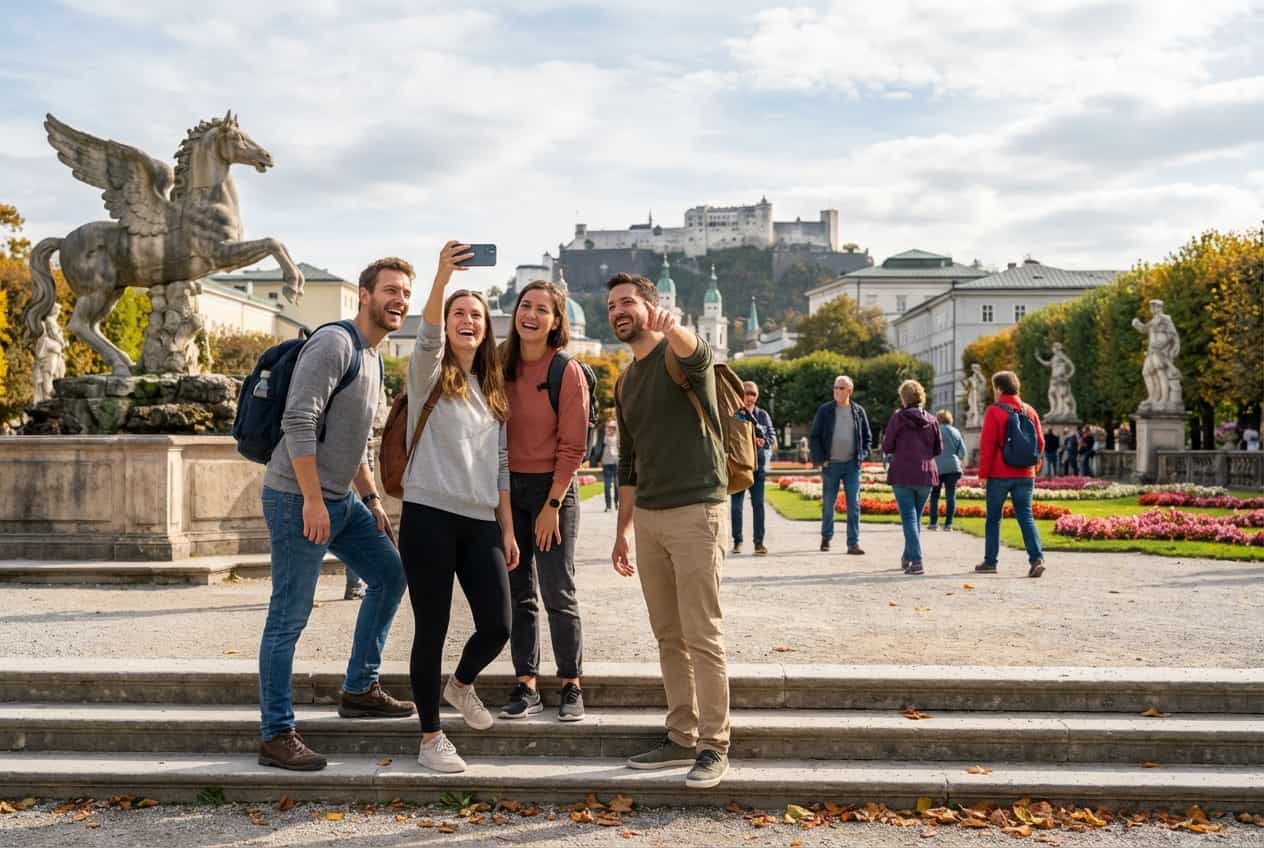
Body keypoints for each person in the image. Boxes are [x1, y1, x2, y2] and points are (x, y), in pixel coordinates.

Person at [256, 257, 416, 772]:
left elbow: (355, 443)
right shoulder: (335, 343)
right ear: (364, 296)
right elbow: (298, 420)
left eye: (405, 294)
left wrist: (369, 499)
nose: (399, 300)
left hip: (341, 500)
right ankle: (276, 733)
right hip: (295, 497)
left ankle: (359, 688)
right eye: (390, 290)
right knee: (289, 615)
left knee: (391, 576)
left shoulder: (371, 356)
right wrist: (311, 500)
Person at [607, 271, 731, 791]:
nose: (619, 310)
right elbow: (629, 465)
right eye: (612, 304)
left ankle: (714, 743)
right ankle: (680, 733)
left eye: (628, 302)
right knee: (668, 636)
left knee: (702, 633)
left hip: (696, 510)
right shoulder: (624, 380)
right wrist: (621, 532)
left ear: (651, 306)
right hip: (651, 520)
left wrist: (675, 328)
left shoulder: (678, 355)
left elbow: (700, 354)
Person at [398, 242, 519, 773]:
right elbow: (424, 334)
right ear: (446, 324)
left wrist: (507, 529)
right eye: (458, 315)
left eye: (477, 315)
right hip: (427, 515)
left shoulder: (491, 388)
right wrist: (443, 277)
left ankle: (461, 684)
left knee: (498, 623)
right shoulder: (427, 371)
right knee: (432, 627)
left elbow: (500, 465)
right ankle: (430, 739)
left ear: (488, 330)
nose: (468, 321)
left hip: (479, 521)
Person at [498, 280, 588, 723]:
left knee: (557, 590)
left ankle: (571, 683)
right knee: (519, 593)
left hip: (554, 492)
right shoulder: (499, 364)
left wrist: (552, 505)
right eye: (524, 306)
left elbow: (573, 447)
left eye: (541, 309)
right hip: (509, 492)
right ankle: (526, 683)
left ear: (556, 322)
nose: (530, 315)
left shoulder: (565, 371)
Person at [975, 370, 1046, 578]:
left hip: (999, 472)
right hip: (1025, 473)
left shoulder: (994, 411)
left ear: (998, 388)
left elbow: (987, 445)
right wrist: (1033, 467)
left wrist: (983, 474)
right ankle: (1036, 559)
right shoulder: (1029, 410)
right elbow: (1040, 442)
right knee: (1026, 516)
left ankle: (990, 561)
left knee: (994, 518)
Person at [882, 381, 941, 576]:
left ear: (903, 398)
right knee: (914, 518)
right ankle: (908, 557)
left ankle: (916, 561)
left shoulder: (898, 418)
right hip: (926, 473)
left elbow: (887, 446)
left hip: (903, 472)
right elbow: (938, 449)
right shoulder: (932, 420)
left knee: (909, 517)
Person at [809, 375, 871, 554]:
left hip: (852, 465)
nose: (837, 391)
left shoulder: (858, 411)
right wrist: (821, 459)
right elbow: (815, 436)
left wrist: (862, 455)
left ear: (849, 391)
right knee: (829, 504)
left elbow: (867, 438)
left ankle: (853, 543)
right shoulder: (825, 411)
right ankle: (826, 537)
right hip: (831, 465)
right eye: (835, 387)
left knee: (854, 504)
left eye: (841, 388)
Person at [731, 380, 776, 556]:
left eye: (753, 394)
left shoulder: (763, 415)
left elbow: (771, 435)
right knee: (736, 506)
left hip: (758, 467)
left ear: (757, 396)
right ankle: (737, 541)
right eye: (746, 393)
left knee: (758, 505)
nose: (749, 397)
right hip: (740, 467)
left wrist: (765, 441)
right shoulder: (735, 414)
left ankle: (759, 543)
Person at [928, 409, 965, 532]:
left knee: (934, 495)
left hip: (937, 466)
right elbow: (962, 452)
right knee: (951, 495)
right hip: (953, 467)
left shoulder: (934, 431)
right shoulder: (956, 432)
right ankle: (948, 524)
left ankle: (933, 523)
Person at [600, 419, 620, 512]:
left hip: (616, 463)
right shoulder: (604, 437)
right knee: (607, 486)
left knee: (616, 485)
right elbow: (599, 449)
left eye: (613, 427)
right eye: (609, 427)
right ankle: (608, 506)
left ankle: (616, 502)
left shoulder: (618, 437)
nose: (611, 429)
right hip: (606, 463)